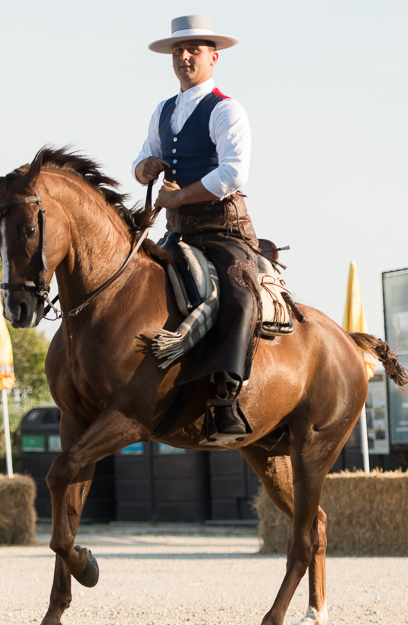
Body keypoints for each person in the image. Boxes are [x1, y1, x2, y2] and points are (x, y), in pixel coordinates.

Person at [133, 15, 259, 438]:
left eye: (194, 50)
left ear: (213, 57)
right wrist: (144, 168)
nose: (184, 57)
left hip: (225, 231)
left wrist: (180, 196)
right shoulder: (162, 109)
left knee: (239, 294)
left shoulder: (226, 109)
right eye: (178, 51)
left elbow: (234, 173)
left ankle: (226, 399)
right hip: (179, 233)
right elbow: (140, 161)